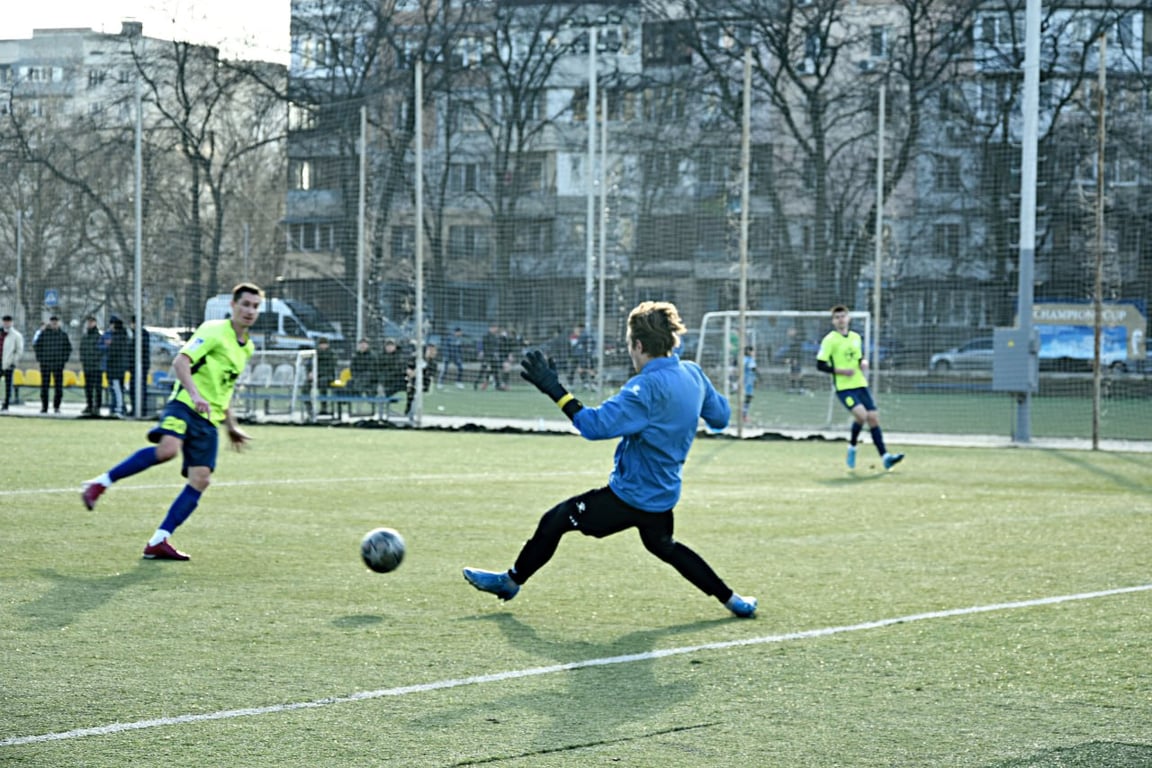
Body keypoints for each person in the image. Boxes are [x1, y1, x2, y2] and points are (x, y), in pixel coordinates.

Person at [462, 300, 757, 619]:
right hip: (663, 495)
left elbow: (593, 426)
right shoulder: (693, 374)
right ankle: (733, 600)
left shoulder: (645, 387)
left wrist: (554, 389)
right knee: (665, 546)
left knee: (556, 519)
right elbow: (720, 418)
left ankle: (510, 582)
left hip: (630, 497)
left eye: (630, 346)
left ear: (639, 345)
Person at [80, 283, 264, 561]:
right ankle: (100, 483)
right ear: (233, 305)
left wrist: (231, 426)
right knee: (167, 450)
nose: (250, 311)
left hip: (209, 420)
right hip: (185, 405)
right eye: (245, 304)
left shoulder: (246, 347)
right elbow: (180, 362)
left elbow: (225, 389)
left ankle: (159, 540)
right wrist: (195, 394)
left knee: (201, 479)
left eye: (255, 306)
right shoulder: (214, 330)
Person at [815, 305, 904, 471]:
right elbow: (820, 365)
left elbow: (858, 357)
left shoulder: (855, 337)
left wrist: (862, 362)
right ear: (833, 321)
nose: (841, 320)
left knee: (873, 418)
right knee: (862, 415)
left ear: (848, 318)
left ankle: (886, 457)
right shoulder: (830, 340)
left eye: (843, 316)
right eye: (837, 317)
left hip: (860, 384)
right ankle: (852, 447)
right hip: (844, 388)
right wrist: (841, 371)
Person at [32, 315, 72, 414]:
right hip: (45, 364)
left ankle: (57, 406)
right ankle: (44, 407)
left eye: (56, 322)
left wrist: (63, 361)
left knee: (58, 386)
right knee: (44, 386)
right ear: (50, 323)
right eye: (52, 322)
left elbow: (68, 349)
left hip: (58, 365)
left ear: (59, 323)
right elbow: (37, 347)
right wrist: (41, 359)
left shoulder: (63, 335)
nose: (54, 323)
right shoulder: (44, 334)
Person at [103, 317, 131, 417]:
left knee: (116, 389)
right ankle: (117, 408)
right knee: (117, 389)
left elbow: (113, 353)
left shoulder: (117, 338)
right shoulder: (123, 336)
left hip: (115, 368)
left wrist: (109, 346)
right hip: (118, 368)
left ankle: (118, 409)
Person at [79, 316, 104, 416]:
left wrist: (95, 359)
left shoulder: (99, 336)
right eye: (88, 322)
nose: (89, 324)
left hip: (96, 366)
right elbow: (82, 350)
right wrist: (84, 360)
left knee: (97, 387)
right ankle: (89, 405)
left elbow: (101, 351)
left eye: (91, 322)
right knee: (88, 387)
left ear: (95, 323)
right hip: (87, 366)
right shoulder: (85, 337)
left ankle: (97, 406)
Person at [404, 342, 438, 416]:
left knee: (415, 391)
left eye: (434, 351)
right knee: (411, 389)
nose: (434, 353)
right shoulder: (415, 358)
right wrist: (418, 368)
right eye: (431, 350)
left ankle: (412, 412)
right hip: (411, 381)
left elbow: (430, 376)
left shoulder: (433, 363)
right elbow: (409, 372)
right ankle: (409, 411)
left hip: (424, 384)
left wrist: (423, 367)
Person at [128, 315, 152, 417]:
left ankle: (141, 409)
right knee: (133, 388)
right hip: (134, 366)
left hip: (141, 366)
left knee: (140, 387)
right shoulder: (134, 334)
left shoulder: (143, 334)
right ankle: (135, 408)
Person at [1, 314, 25, 411]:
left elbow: (19, 350)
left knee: (8, 384)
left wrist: (13, 361)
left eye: (8, 321)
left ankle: (6, 404)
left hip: (8, 363)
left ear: (11, 322)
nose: (6, 323)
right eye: (5, 321)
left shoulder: (16, 335)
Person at [312, 336, 338, 414]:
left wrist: (318, 373)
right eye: (321, 344)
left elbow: (331, 367)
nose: (323, 346)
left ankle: (324, 408)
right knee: (305, 387)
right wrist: (310, 372)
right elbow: (310, 365)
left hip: (328, 377)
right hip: (316, 377)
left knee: (323, 383)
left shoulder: (331, 354)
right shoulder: (314, 353)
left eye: (324, 344)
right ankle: (310, 409)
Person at [474, 322, 502, 390]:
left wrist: (496, 353)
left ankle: (498, 386)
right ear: (491, 328)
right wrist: (480, 351)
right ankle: (476, 383)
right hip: (487, 356)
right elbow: (481, 344)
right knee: (482, 370)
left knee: (496, 371)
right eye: (495, 328)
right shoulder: (486, 336)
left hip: (493, 356)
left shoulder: (495, 337)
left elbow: (496, 346)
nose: (496, 329)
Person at [741, 345, 757, 423]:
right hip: (748, 382)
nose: (754, 353)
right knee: (748, 397)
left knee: (746, 398)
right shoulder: (750, 360)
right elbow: (753, 369)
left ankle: (744, 414)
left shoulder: (743, 359)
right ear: (749, 351)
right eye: (753, 351)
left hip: (745, 380)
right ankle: (744, 415)